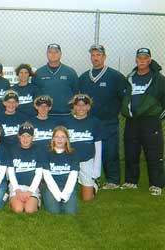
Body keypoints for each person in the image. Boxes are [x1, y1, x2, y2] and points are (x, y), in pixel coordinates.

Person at [79, 44, 126, 190]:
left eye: (98, 55)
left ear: (104, 57)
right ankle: (92, 178)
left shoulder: (115, 76)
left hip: (108, 120)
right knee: (91, 151)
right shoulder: (84, 77)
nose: (95, 58)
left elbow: (124, 96)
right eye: (93, 55)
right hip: (90, 121)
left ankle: (113, 180)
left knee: (110, 150)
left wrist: (114, 111)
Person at [120, 48, 165, 196]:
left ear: (150, 60)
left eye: (145, 58)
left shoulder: (158, 78)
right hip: (132, 120)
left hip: (150, 121)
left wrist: (159, 115)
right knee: (131, 151)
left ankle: (156, 184)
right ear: (136, 60)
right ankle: (131, 181)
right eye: (139, 58)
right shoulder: (130, 77)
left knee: (153, 152)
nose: (142, 60)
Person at [65, 94, 102, 200]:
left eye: (84, 105)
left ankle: (93, 184)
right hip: (70, 161)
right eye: (78, 105)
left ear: (88, 107)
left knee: (87, 198)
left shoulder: (94, 122)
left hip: (87, 160)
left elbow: (98, 146)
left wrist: (96, 169)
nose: (81, 108)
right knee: (66, 196)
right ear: (73, 107)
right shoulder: (66, 121)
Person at [41, 126, 79, 214]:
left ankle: (62, 200)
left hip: (67, 185)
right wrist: (57, 194)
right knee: (54, 212)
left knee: (70, 212)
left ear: (67, 140)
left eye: (63, 137)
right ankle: (45, 197)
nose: (59, 139)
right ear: (53, 139)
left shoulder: (73, 153)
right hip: (51, 186)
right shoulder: (46, 152)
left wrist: (65, 194)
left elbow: (73, 176)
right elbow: (47, 176)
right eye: (57, 137)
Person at [34, 43, 79, 115]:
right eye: (50, 52)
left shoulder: (70, 72)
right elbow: (35, 94)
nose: (53, 54)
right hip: (45, 114)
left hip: (66, 114)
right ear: (46, 54)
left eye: (56, 52)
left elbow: (76, 92)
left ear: (60, 54)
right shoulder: (39, 73)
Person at [8, 122, 42, 213]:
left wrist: (30, 191)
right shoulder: (12, 149)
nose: (25, 139)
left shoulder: (38, 150)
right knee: (18, 209)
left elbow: (38, 174)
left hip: (31, 187)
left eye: (28, 136)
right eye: (23, 136)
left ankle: (36, 200)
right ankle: (12, 200)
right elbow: (10, 173)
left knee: (29, 210)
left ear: (32, 137)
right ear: (19, 136)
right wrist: (18, 191)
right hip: (16, 186)